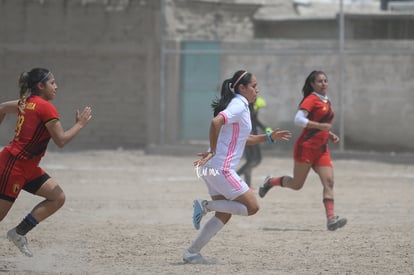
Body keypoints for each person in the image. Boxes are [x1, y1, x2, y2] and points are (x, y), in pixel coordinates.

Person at [183, 70, 291, 264]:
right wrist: (213, 151)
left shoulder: (241, 106)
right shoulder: (238, 105)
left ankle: (192, 252)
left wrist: (268, 137)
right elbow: (216, 121)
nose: (257, 89)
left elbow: (244, 138)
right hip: (221, 167)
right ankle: (205, 205)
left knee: (224, 213)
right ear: (242, 88)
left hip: (212, 168)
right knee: (252, 207)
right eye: (254, 86)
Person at [0, 68, 92, 257]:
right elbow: (61, 141)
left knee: (57, 197)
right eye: (52, 83)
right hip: (14, 167)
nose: (56, 86)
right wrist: (80, 124)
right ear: (40, 86)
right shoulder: (44, 107)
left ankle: (18, 233)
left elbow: (1, 107)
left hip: (28, 167)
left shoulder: (27, 103)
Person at [258, 70, 347, 231]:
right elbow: (298, 119)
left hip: (321, 149)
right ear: (312, 84)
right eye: (319, 81)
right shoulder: (311, 99)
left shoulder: (326, 101)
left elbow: (321, 124)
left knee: (329, 182)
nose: (323, 84)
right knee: (297, 184)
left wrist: (329, 134)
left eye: (325, 81)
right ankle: (270, 181)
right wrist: (320, 127)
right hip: (306, 148)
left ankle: (331, 220)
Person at [237, 96, 271, 187]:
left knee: (252, 160)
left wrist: (265, 128)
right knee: (254, 159)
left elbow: (255, 120)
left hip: (253, 136)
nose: (258, 110)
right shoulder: (247, 107)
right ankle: (236, 176)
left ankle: (247, 185)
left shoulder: (252, 108)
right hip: (248, 136)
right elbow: (248, 122)